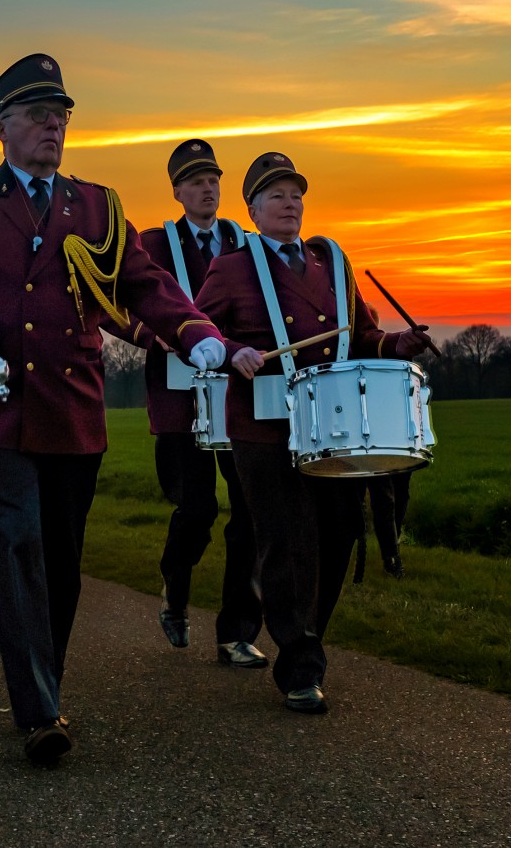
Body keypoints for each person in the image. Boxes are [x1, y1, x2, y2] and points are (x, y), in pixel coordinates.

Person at [0, 54, 229, 764]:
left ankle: (42, 676)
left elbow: (142, 285)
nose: (53, 125)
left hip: (71, 412)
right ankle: (39, 708)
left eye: (61, 115)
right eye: (36, 115)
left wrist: (196, 332)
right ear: (1, 128)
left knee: (60, 562)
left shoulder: (98, 206)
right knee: (17, 544)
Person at [194, 152, 432, 715]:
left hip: (333, 425)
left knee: (340, 533)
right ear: (251, 209)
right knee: (286, 540)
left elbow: (364, 335)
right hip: (262, 428)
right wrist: (231, 351)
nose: (291, 203)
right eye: (276, 194)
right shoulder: (231, 267)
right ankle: (301, 665)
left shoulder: (332, 265)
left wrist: (398, 345)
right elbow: (197, 330)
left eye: (296, 193)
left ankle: (307, 636)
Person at [124, 140, 265, 668]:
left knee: (249, 509)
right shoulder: (155, 243)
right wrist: (153, 336)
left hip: (239, 395)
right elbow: (120, 303)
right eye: (196, 181)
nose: (209, 188)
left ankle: (237, 632)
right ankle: (175, 589)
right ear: (178, 191)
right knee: (198, 508)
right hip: (179, 398)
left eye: (214, 179)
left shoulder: (244, 243)